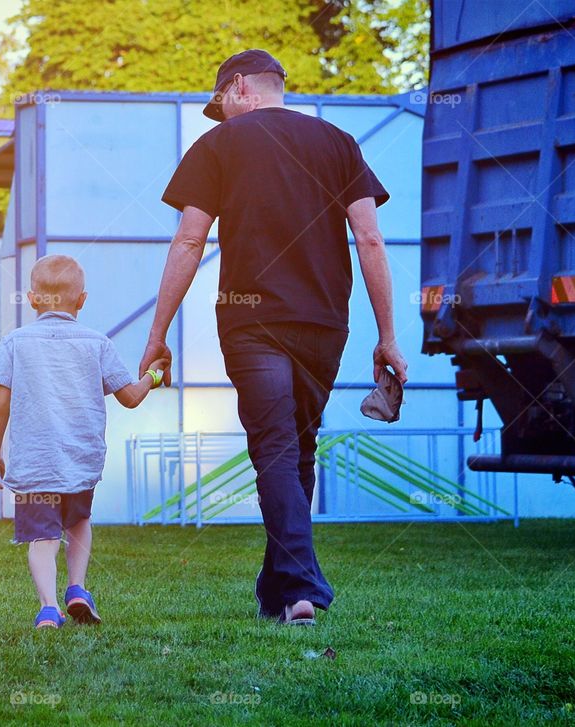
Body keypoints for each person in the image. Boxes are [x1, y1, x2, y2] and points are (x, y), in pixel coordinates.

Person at [140, 49, 408, 625]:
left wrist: (158, 335)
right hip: (324, 323)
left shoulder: (217, 146)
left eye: (220, 107)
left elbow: (188, 243)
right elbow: (371, 240)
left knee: (277, 450)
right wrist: (388, 336)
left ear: (238, 89)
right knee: (296, 448)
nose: (220, 120)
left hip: (251, 320)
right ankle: (280, 590)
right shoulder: (339, 143)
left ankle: (300, 589)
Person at [0, 255, 168, 629]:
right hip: (80, 458)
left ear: (32, 299)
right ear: (82, 300)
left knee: (42, 537)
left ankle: (49, 608)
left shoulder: (15, 342)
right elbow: (130, 397)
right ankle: (78, 589)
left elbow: (0, 401)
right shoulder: (97, 343)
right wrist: (153, 374)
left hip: (36, 461)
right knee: (79, 520)